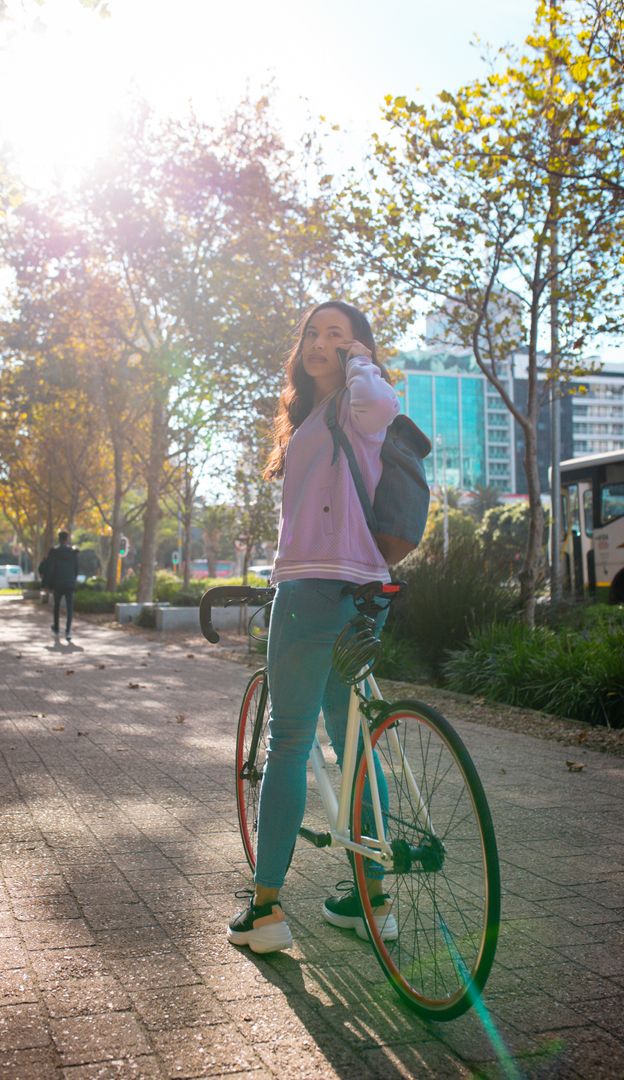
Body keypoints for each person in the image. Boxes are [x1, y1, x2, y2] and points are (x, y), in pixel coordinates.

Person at [227, 300, 401, 954]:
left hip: (311, 591)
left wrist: (361, 359)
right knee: (353, 741)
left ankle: (266, 911)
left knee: (291, 742)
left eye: (338, 333)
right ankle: (370, 899)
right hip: (360, 589)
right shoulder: (319, 418)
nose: (320, 342)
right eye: (312, 332)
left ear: (358, 347)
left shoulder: (359, 402)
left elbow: (382, 407)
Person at [39, 531, 79, 642]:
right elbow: (76, 569)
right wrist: (73, 580)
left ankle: (56, 628)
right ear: (67, 539)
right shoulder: (73, 552)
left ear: (59, 539)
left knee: (56, 606)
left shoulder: (54, 552)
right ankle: (68, 631)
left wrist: (46, 582)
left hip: (58, 583)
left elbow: (47, 566)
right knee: (70, 607)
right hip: (69, 583)